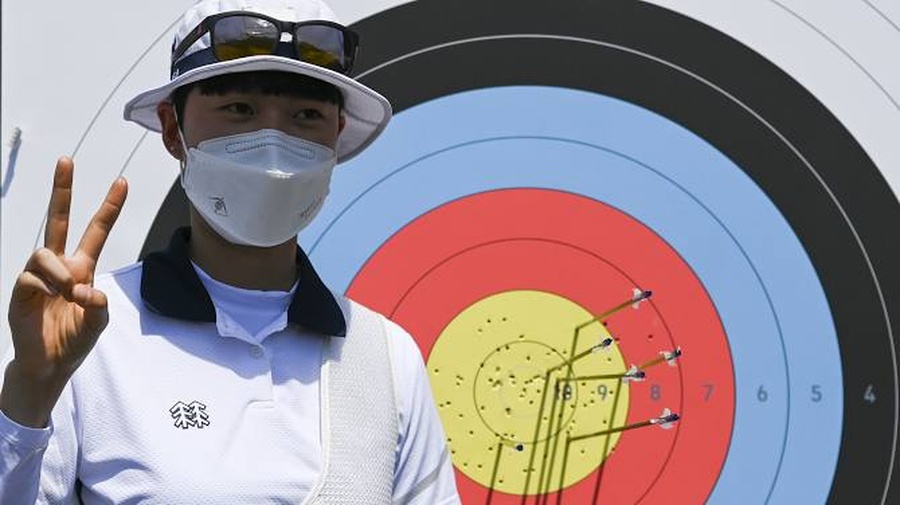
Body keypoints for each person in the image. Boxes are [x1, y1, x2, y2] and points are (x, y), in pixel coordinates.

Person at [0, 0, 460, 503]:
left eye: (306, 115)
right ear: (173, 129)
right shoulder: (88, 335)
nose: (274, 143)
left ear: (336, 135)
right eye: (239, 109)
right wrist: (28, 393)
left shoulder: (385, 358)